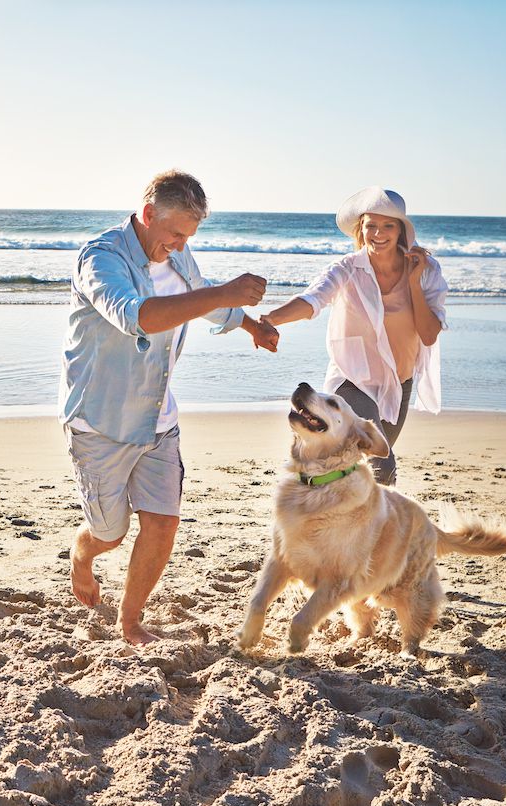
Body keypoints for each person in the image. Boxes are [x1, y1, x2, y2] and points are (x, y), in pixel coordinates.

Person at [59, 170, 278, 644]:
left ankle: (130, 620)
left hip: (158, 416)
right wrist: (223, 293)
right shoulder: (101, 259)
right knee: (110, 534)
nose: (180, 245)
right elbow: (137, 317)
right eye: (175, 233)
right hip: (101, 420)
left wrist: (249, 325)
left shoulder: (177, 256)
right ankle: (82, 551)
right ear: (147, 214)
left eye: (189, 236)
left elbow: (202, 302)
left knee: (163, 524)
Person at [258, 186, 447, 485]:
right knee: (380, 465)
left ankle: (346, 520)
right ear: (361, 228)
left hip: (399, 383)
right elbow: (313, 300)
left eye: (388, 225)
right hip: (353, 379)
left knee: (364, 469)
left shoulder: (426, 272)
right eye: (371, 225)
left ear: (401, 231)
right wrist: (271, 319)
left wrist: (413, 282)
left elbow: (428, 334)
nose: (378, 233)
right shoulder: (347, 268)